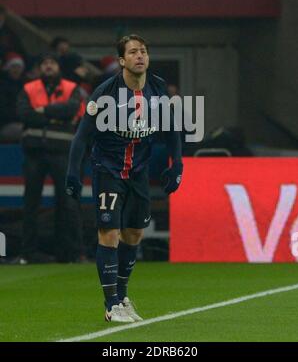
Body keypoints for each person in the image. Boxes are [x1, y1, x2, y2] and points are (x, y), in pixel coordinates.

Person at [65, 34, 183, 323]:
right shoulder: (105, 92)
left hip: (139, 172)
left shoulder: (157, 89)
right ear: (122, 61)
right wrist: (73, 172)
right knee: (109, 233)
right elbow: (82, 136)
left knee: (133, 234)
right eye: (133, 52)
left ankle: (122, 297)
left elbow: (171, 129)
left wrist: (177, 163)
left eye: (143, 51)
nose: (140, 55)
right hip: (108, 169)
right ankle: (110, 304)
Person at [16, 52, 84, 264]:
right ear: (38, 68)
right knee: (31, 203)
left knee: (68, 202)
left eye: (52, 63)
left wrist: (43, 110)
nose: (48, 66)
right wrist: (56, 116)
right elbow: (24, 114)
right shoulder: (29, 88)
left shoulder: (71, 88)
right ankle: (29, 253)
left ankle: (70, 253)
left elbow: (72, 109)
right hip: (34, 150)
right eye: (44, 63)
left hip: (62, 150)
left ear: (58, 67)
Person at [0, 52, 25, 142]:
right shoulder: (2, 86)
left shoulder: (25, 85)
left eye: (19, 67)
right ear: (8, 68)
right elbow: (4, 111)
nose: (16, 70)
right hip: (6, 125)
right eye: (13, 67)